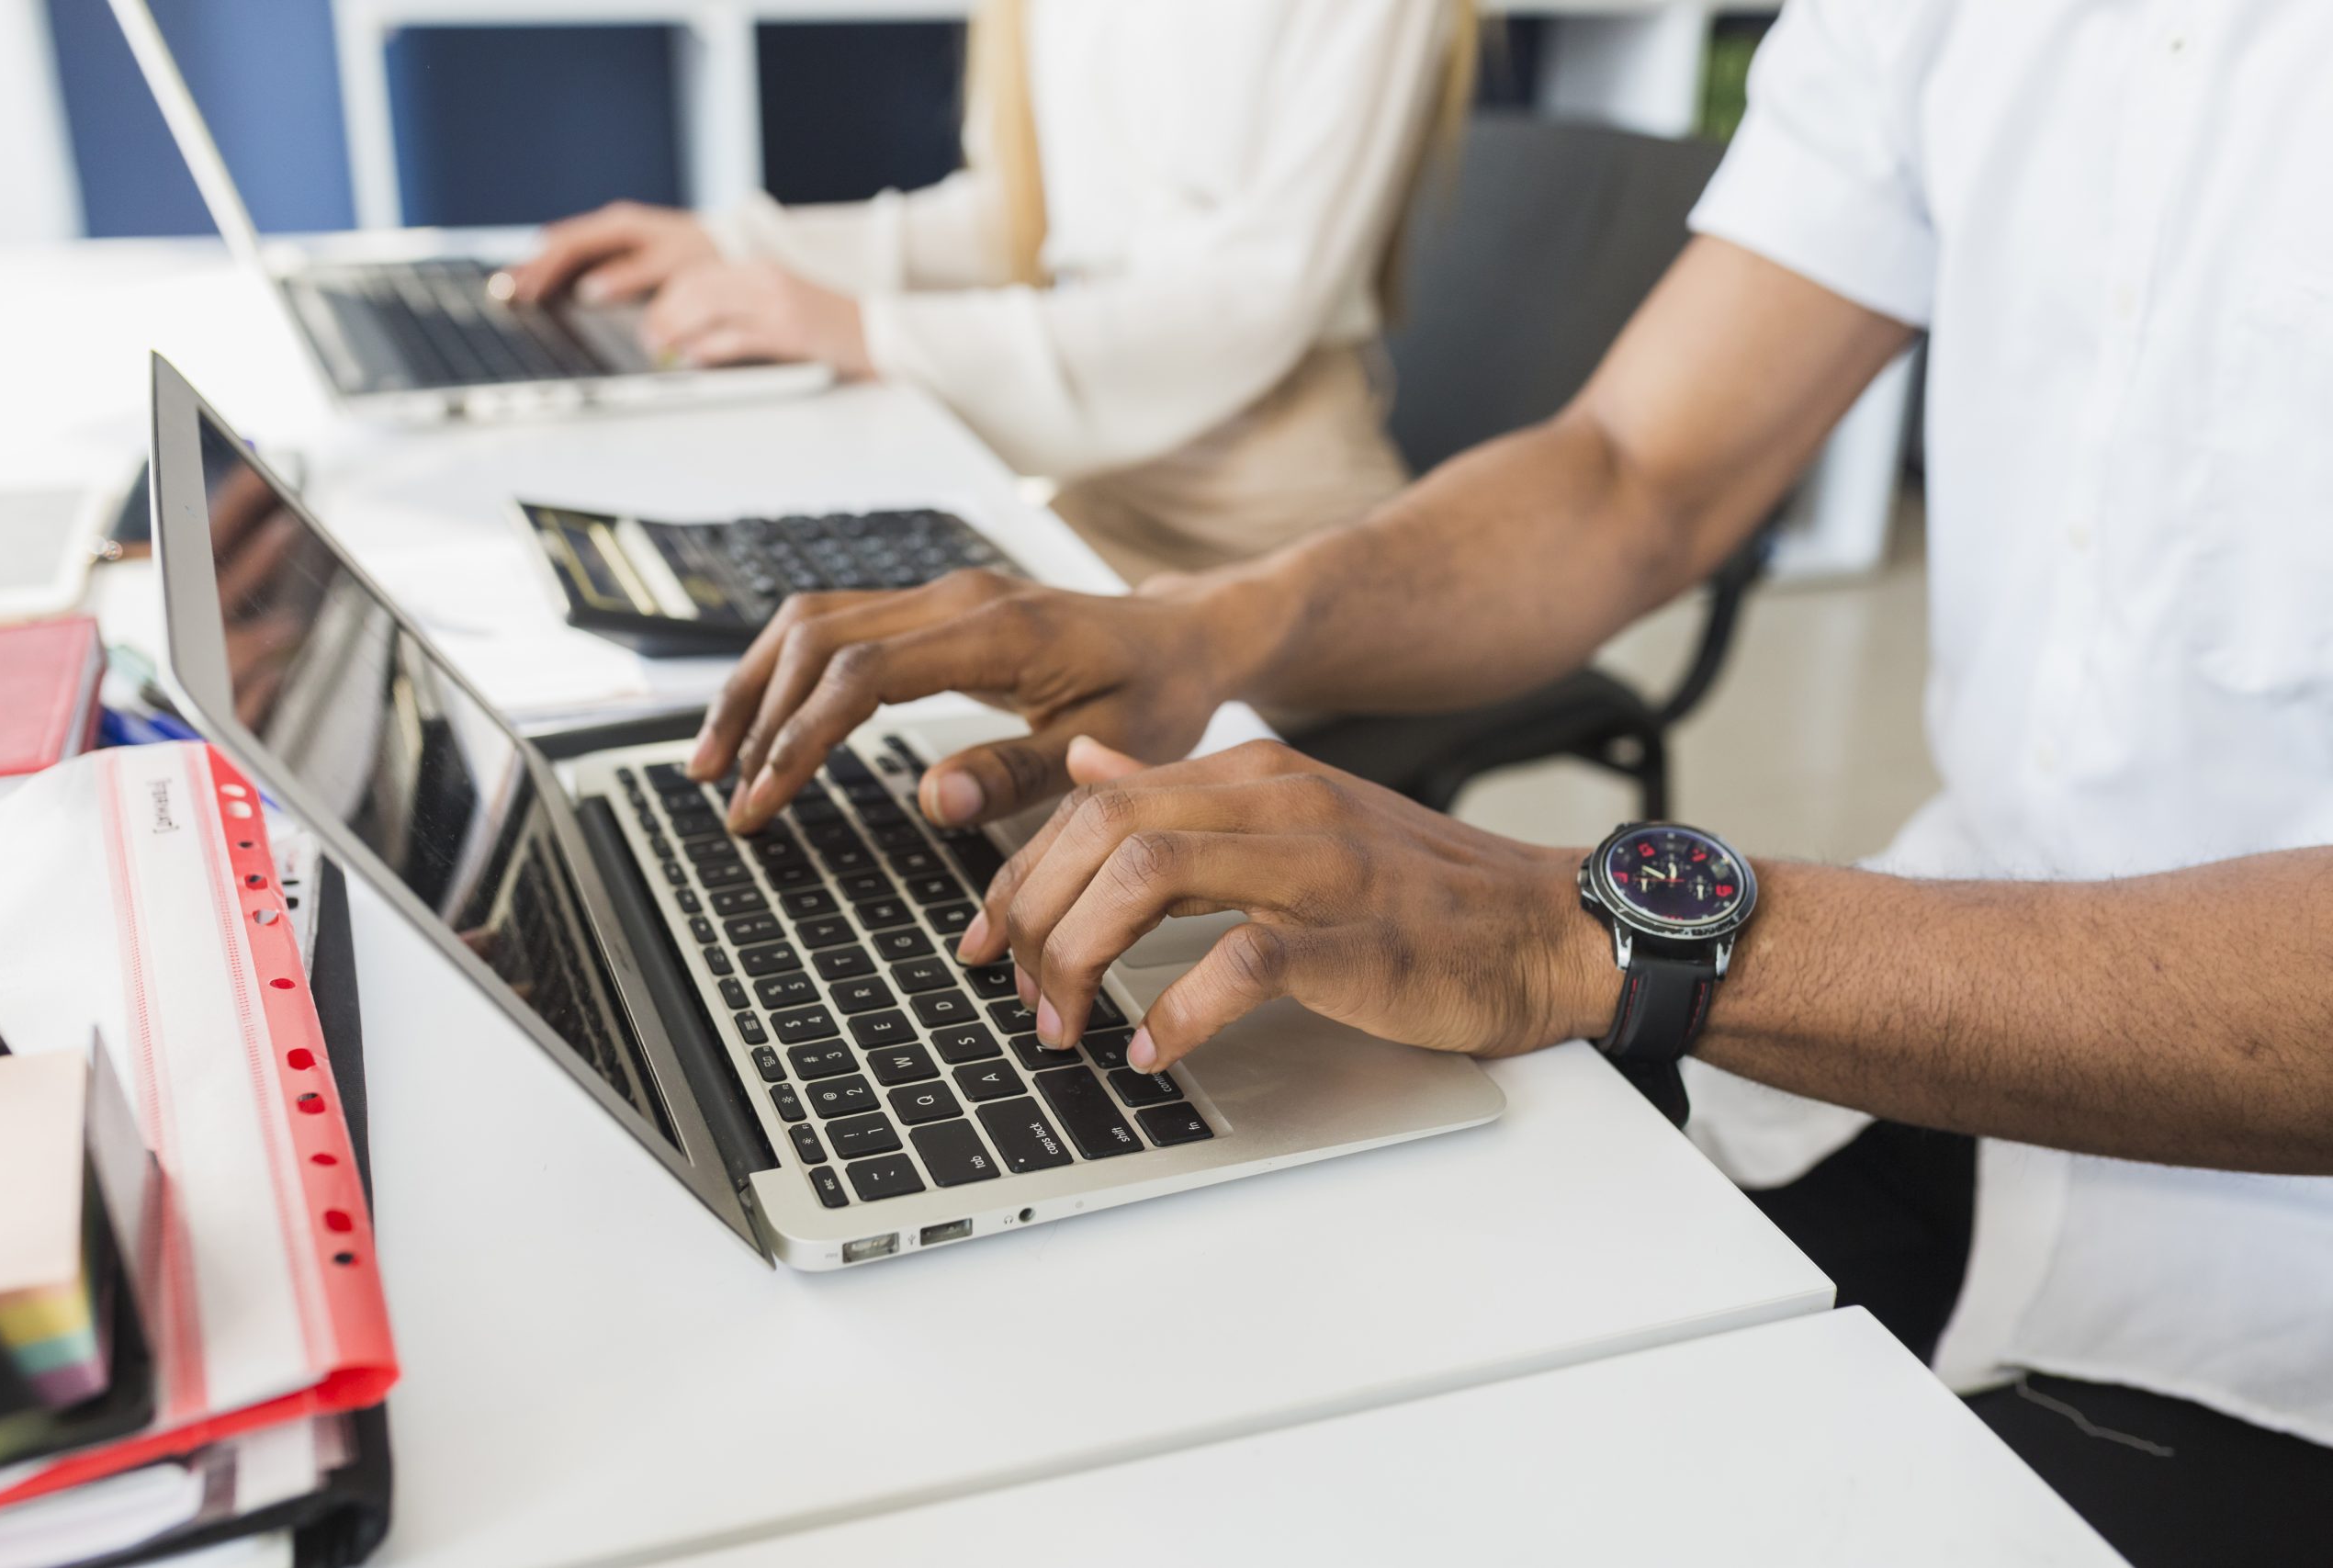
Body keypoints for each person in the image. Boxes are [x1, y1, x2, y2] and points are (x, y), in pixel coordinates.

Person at [667, 2, 2333, 1557]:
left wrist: (1579, 927)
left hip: (2276, 1297)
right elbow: (1633, 469)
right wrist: (1206, 629)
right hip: (1927, 1062)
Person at [509, 0, 1477, 584]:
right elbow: (1022, 214)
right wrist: (733, 244)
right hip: (1100, 484)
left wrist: (871, 334)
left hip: (1265, 519)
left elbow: (1253, 297)